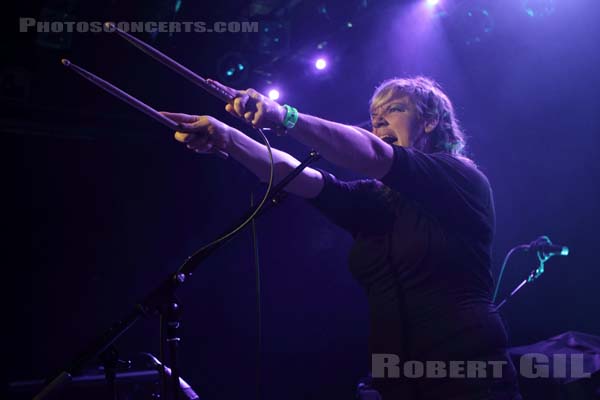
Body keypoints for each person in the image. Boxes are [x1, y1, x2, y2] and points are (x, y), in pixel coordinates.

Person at [162, 76, 522, 399]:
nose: (379, 120)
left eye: (394, 109)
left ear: (430, 122)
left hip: (466, 372)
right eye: (375, 114)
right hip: (397, 379)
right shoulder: (376, 200)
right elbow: (299, 176)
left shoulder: (459, 178)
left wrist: (284, 116)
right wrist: (229, 138)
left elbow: (376, 153)